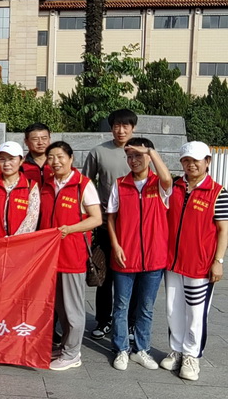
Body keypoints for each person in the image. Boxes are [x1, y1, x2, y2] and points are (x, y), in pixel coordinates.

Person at [161, 141, 228, 381]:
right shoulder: (175, 186)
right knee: (173, 309)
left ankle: (192, 355)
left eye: (196, 160)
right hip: (172, 262)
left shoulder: (218, 192)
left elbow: (223, 229)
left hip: (200, 265)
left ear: (207, 162)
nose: (191, 165)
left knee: (196, 313)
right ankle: (177, 350)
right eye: (186, 160)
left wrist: (218, 260)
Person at [107, 138, 172, 371]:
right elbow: (111, 217)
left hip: (154, 258)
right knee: (121, 306)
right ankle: (121, 349)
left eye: (138, 155)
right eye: (129, 156)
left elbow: (167, 179)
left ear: (148, 156)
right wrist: (116, 245)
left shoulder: (158, 184)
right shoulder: (120, 184)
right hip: (125, 256)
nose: (133, 160)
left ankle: (141, 349)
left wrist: (151, 152)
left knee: (146, 308)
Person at [40, 141, 102, 371]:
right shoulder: (47, 184)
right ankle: (65, 346)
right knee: (59, 307)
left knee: (73, 309)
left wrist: (70, 229)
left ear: (71, 158)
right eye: (51, 158)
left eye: (60, 157)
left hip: (72, 255)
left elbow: (96, 219)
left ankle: (72, 354)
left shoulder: (82, 185)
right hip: (50, 257)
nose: (55, 162)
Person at [82, 109, 137, 340]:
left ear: (133, 128)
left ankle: (130, 323)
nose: (121, 130)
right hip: (106, 225)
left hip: (134, 228)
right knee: (105, 277)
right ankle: (104, 320)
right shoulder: (99, 152)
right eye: (116, 126)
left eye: (126, 126)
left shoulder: (140, 151)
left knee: (133, 277)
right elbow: (85, 184)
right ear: (111, 127)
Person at [0, 141, 40, 240]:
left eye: (11, 159)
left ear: (21, 161)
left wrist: (15, 240)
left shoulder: (30, 186)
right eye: (2, 159)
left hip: (20, 243)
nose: (6, 164)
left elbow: (32, 216)